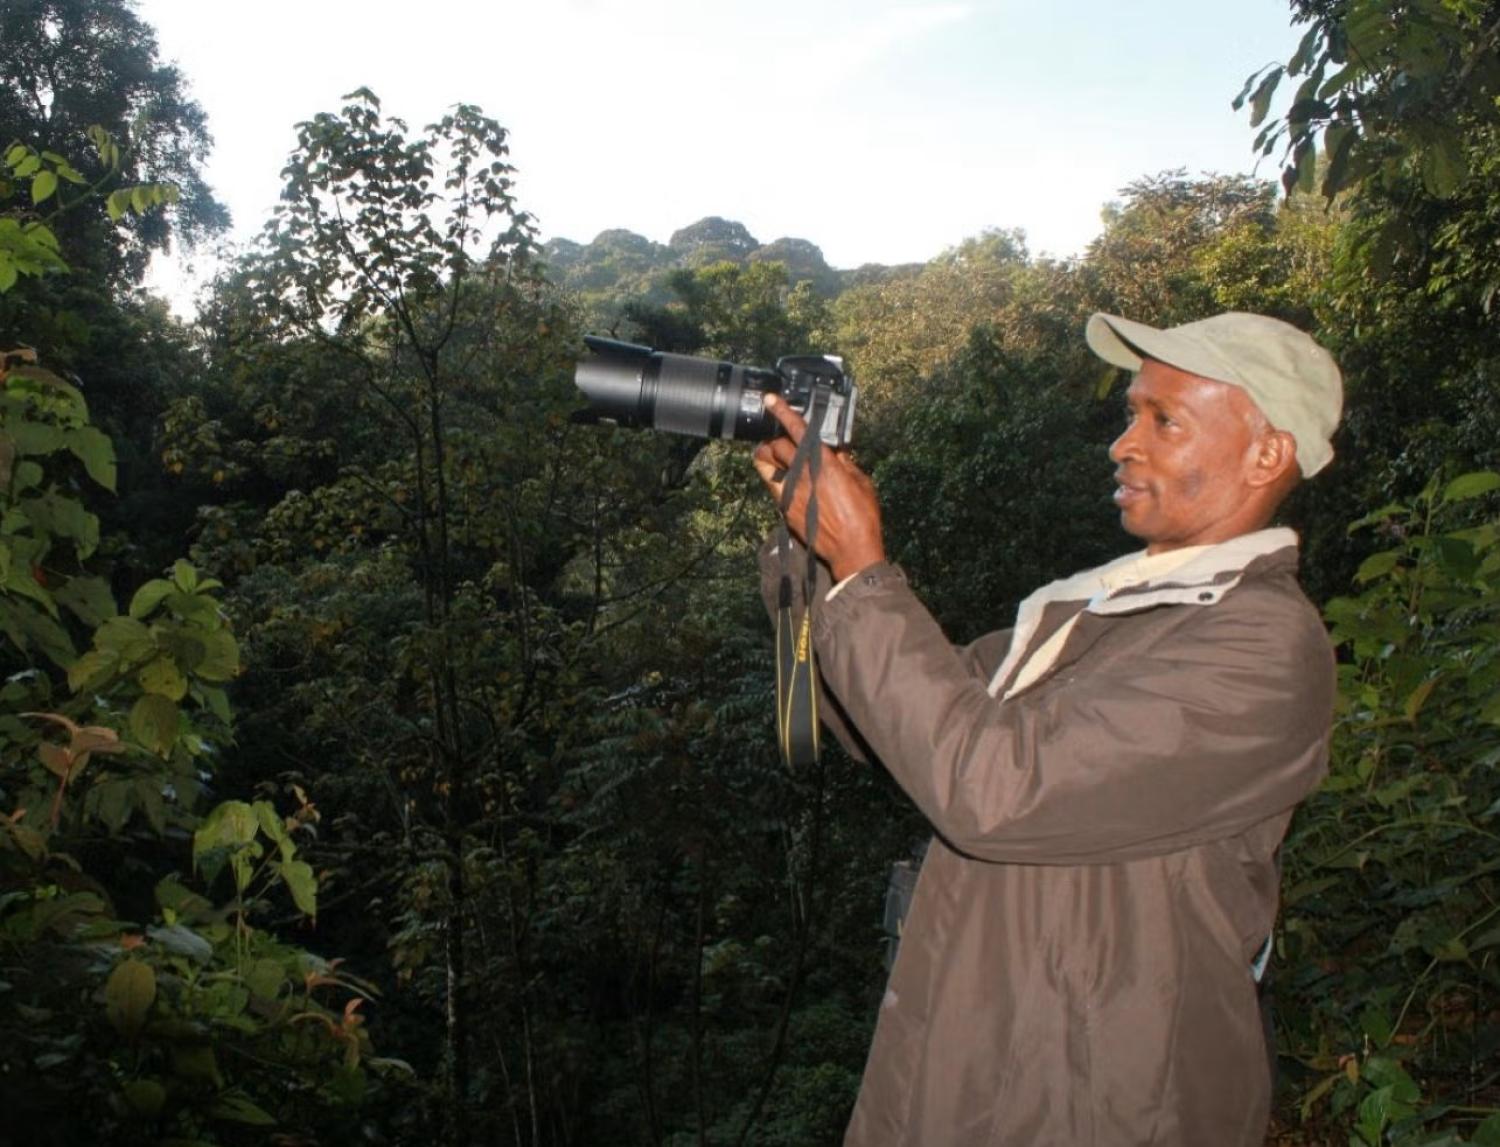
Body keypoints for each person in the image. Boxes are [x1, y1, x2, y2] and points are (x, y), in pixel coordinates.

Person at [752, 311, 1342, 1147]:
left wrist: (864, 566)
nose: (1123, 444)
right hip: (970, 1064)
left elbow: (989, 788)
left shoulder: (1263, 644)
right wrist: (811, 550)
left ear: (1266, 455)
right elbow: (895, 720)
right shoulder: (1105, 609)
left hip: (1099, 1103)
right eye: (1130, 413)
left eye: (1163, 420)